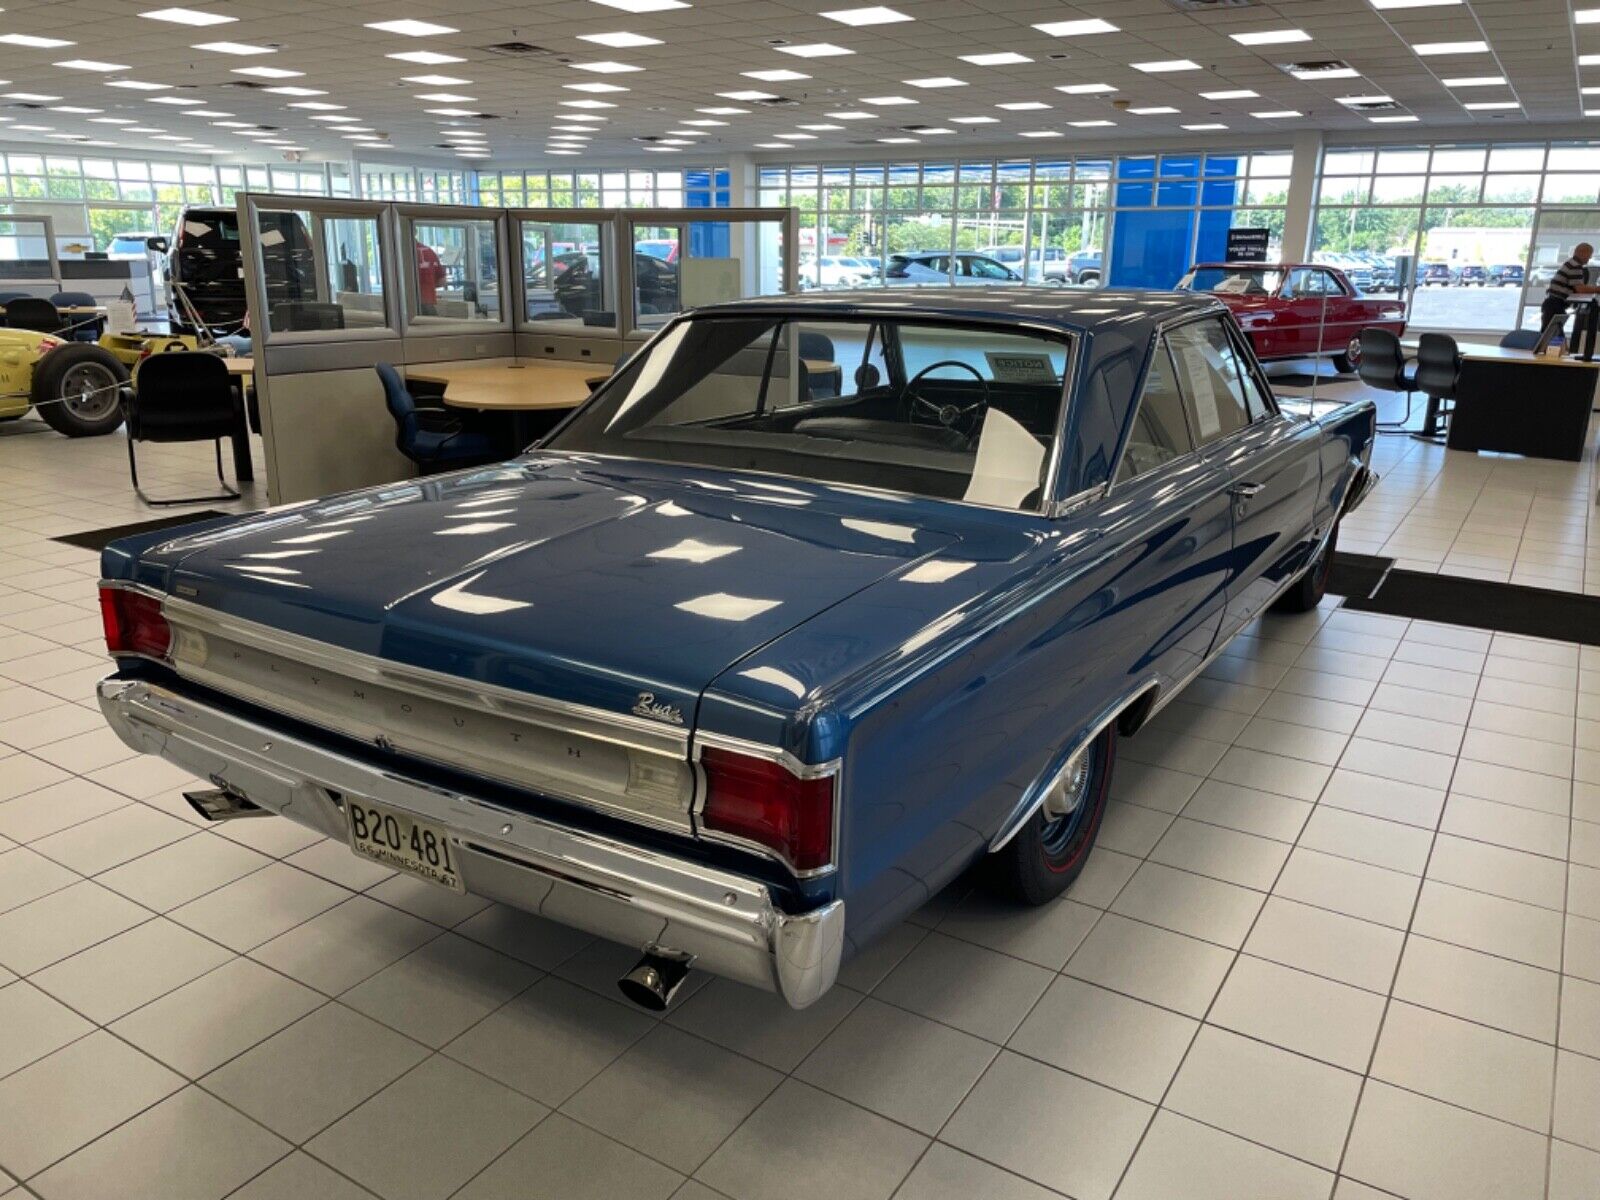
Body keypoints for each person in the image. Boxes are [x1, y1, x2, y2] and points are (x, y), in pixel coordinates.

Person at [1540, 242, 1599, 338]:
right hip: (1555, 305)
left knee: (1552, 336)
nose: (1590, 258)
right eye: (1589, 255)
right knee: (1552, 337)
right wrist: (1597, 289)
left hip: (1554, 304)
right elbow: (1581, 289)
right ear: (1582, 253)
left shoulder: (1570, 263)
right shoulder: (1575, 266)